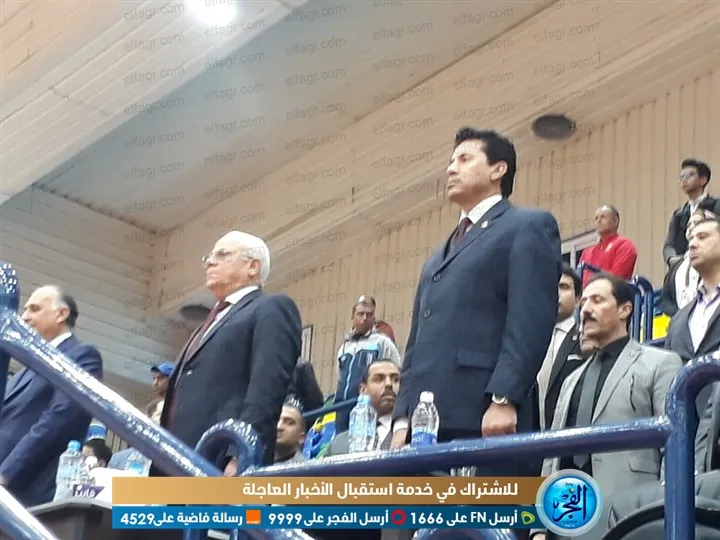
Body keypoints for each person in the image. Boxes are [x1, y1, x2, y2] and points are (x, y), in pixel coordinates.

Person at [390, 127, 562, 481]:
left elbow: (529, 320)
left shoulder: (527, 226)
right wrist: (403, 416)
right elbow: (415, 343)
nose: (451, 169)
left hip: (484, 417)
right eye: (451, 161)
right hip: (425, 427)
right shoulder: (437, 255)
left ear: (498, 169)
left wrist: (504, 398)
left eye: (465, 159)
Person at [531, 274, 682, 540]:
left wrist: (667, 513)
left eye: (597, 300)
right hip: (567, 517)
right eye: (584, 302)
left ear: (625, 309)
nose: (585, 310)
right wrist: (539, 528)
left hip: (631, 518)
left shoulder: (660, 363)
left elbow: (673, 446)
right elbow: (551, 456)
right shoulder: (570, 380)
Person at [156, 231, 302, 473]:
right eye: (209, 257)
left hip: (219, 460)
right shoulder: (207, 323)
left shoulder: (271, 307)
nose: (210, 262)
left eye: (222, 255)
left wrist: (241, 456)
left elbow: (266, 390)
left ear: (252, 266)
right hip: (173, 460)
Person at [0, 285, 103, 506]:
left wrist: (5, 474)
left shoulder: (82, 356)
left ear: (61, 314)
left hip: (27, 489)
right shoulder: (25, 368)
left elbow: (57, 420)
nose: (24, 317)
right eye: (25, 309)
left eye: (34, 309)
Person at [663, 158, 719, 267]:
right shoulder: (679, 213)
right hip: (683, 265)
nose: (684, 180)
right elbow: (669, 245)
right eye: (682, 177)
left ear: (703, 180)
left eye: (690, 175)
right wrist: (672, 259)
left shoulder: (716, 205)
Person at [659, 208, 713, 316]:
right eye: (689, 224)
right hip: (679, 322)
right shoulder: (676, 266)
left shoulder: (714, 263)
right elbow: (665, 300)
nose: (692, 226)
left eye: (696, 222)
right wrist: (680, 316)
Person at [578, 205, 637, 286]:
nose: (598, 221)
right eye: (596, 218)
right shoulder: (587, 252)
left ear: (615, 221)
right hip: (587, 292)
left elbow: (616, 278)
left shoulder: (625, 245)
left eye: (603, 217)